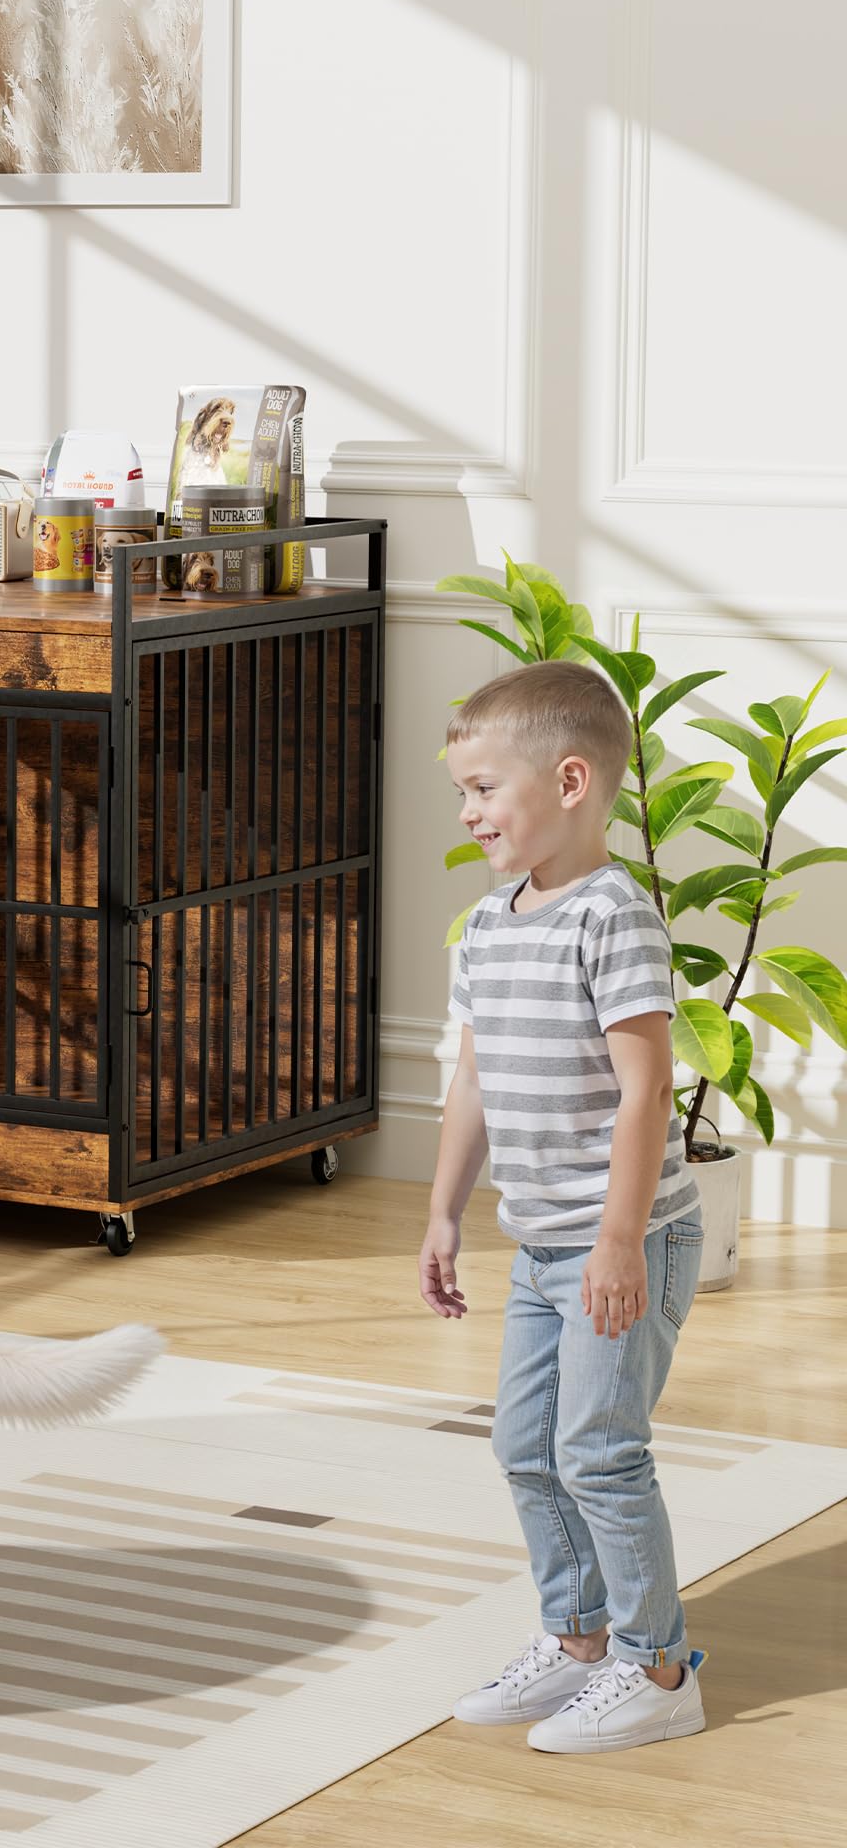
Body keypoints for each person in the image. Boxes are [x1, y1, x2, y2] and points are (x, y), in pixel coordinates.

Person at [420, 659, 707, 1754]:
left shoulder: (612, 916)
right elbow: (473, 1077)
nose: (467, 810)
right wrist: (442, 1210)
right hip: (536, 1241)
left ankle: (658, 1665)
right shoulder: (490, 924)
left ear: (571, 778)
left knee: (596, 1448)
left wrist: (619, 1237)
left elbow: (646, 1090)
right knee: (525, 1446)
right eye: (464, 791)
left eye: (485, 788)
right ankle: (576, 1637)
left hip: (618, 1240)